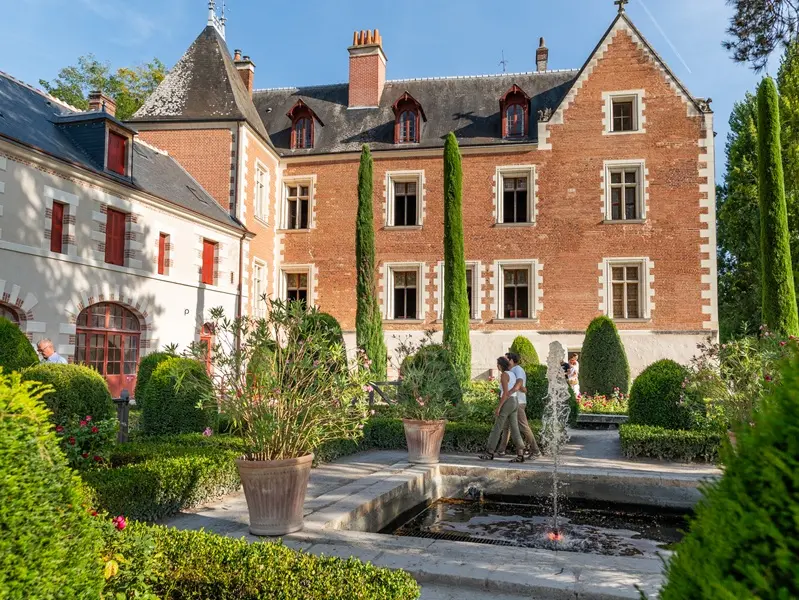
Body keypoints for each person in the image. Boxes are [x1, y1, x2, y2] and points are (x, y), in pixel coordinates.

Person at [480, 356, 525, 462]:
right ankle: (520, 454)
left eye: (497, 364)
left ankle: (489, 452)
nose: (497, 366)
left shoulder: (504, 375)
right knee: (514, 428)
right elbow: (520, 388)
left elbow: (505, 393)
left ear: (500, 365)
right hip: (515, 401)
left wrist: (498, 407)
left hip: (507, 402)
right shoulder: (512, 374)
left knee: (497, 427)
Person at [497, 352, 540, 457]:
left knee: (523, 426)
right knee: (506, 427)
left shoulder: (518, 369)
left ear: (511, 360)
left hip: (518, 402)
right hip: (511, 401)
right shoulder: (510, 371)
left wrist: (509, 392)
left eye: (507, 359)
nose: (505, 361)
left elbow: (520, 384)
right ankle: (501, 450)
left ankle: (536, 451)